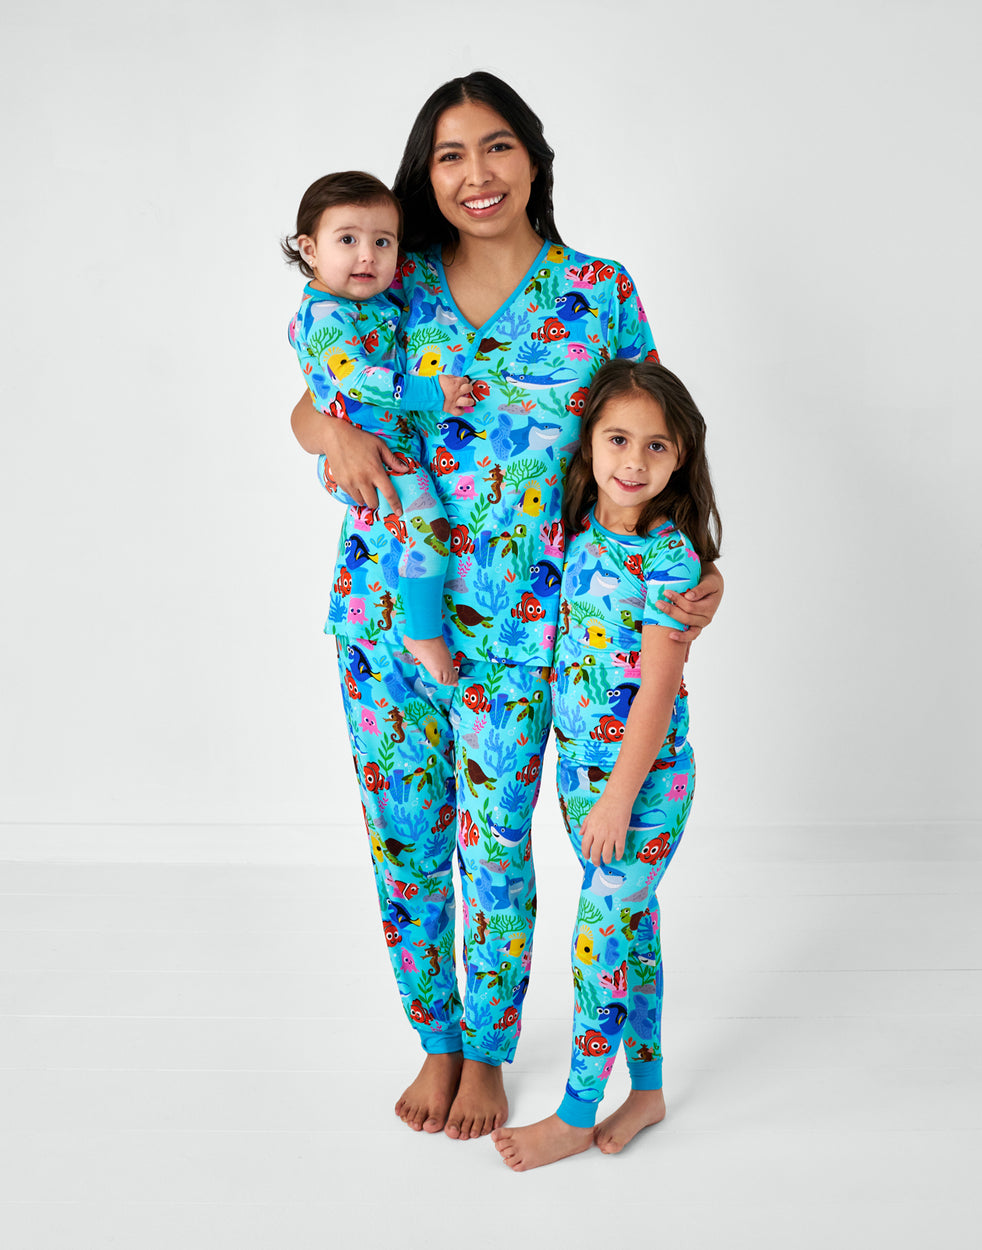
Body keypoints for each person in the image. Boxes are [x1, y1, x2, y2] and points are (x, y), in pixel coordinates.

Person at [289, 72, 725, 1142]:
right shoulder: (391, 275)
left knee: (493, 843)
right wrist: (332, 435)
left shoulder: (596, 291)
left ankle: (485, 1047)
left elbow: (653, 435)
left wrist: (689, 566)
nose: (473, 174)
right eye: (447, 155)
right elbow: (317, 395)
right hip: (389, 611)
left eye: (494, 147)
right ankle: (432, 1036)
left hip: (539, 630)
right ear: (423, 176)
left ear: (533, 157)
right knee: (403, 837)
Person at [492, 359, 722, 1170]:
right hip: (582, 780)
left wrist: (621, 798)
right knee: (634, 931)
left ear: (680, 460)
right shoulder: (578, 537)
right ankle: (649, 1090)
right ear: (587, 443)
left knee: (598, 939)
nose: (634, 460)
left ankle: (577, 1112)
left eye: (656, 446)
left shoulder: (669, 564)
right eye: (618, 439)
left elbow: (658, 696)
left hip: (645, 785)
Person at [284, 171, 472, 683]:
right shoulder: (324, 315)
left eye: (382, 242)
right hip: (379, 459)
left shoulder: (373, 303)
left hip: (388, 449)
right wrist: (437, 392)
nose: (367, 255)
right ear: (310, 248)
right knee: (431, 529)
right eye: (348, 240)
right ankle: (422, 630)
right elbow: (360, 379)